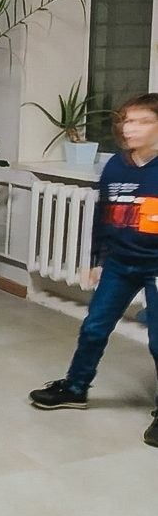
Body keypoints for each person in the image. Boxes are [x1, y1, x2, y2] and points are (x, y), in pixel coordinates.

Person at [29, 93, 158, 448]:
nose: (130, 128)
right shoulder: (115, 166)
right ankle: (76, 387)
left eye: (143, 121)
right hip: (119, 263)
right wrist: (96, 259)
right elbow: (104, 216)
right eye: (127, 121)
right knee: (94, 327)